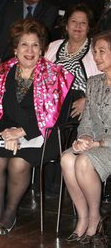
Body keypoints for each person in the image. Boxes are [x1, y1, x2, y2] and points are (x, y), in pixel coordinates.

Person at [0, 18, 74, 235]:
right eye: (24, 44)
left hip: (44, 134)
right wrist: (7, 133)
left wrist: (21, 132)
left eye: (35, 45)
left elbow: (54, 116)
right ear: (15, 48)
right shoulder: (2, 74)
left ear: (42, 49)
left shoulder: (54, 76)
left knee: (18, 164)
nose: (29, 50)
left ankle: (10, 213)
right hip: (6, 131)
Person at [60, 30, 111, 246]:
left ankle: (94, 217)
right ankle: (82, 217)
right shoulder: (93, 82)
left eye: (102, 52)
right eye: (94, 52)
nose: (96, 57)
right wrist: (84, 138)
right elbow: (87, 120)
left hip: (107, 146)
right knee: (67, 158)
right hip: (94, 143)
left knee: (83, 161)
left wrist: (98, 143)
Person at [45, 3, 101, 121]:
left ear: (89, 27)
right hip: (50, 103)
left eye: (83, 23)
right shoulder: (53, 46)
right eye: (74, 21)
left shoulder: (97, 48)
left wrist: (88, 100)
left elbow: (106, 81)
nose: (78, 26)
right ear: (66, 25)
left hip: (80, 107)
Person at [0, 0, 58, 65]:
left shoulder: (49, 9)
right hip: (11, 55)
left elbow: (42, 37)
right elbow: (4, 34)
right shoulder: (11, 7)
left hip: (35, 58)